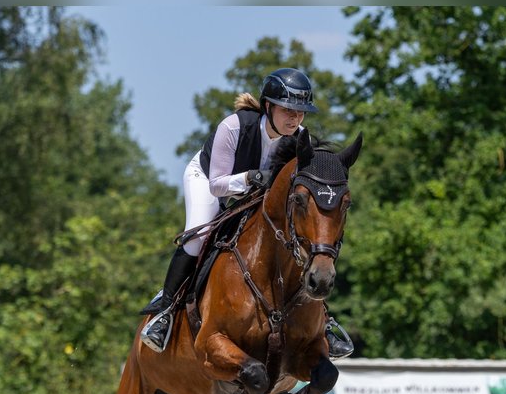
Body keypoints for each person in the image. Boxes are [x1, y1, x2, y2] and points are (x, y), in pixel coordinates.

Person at [139, 68, 355, 358]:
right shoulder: (234, 126)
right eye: (288, 110)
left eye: (301, 112)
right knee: (198, 237)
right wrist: (253, 177)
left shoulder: (301, 138)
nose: (295, 119)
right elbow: (217, 186)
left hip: (255, 193)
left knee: (297, 246)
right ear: (268, 106)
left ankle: (324, 321)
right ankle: (164, 311)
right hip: (209, 180)